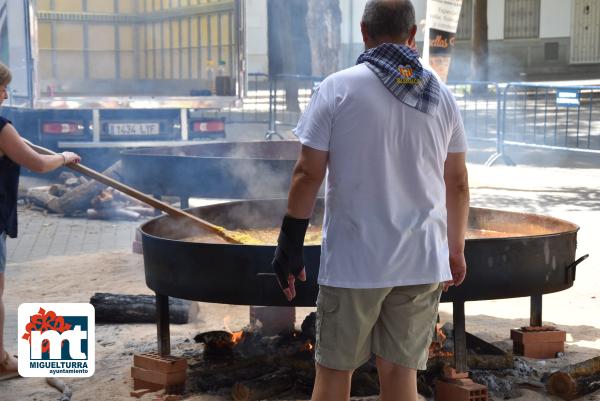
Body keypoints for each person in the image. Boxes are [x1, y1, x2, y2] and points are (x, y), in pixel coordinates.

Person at [271, 1, 470, 400]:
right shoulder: (440, 95)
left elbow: (308, 174)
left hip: (354, 264)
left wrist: (289, 242)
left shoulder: (338, 87)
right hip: (420, 260)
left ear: (363, 31)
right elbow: (458, 183)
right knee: (400, 380)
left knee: (333, 378)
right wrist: (455, 249)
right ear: (412, 35)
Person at [0, 62, 81, 380]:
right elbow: (36, 163)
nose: (6, 93)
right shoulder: (1, 127)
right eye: (3, 86)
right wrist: (64, 157)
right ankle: (1, 360)